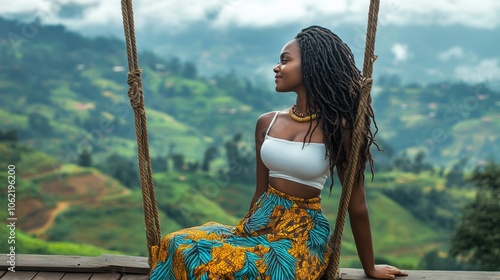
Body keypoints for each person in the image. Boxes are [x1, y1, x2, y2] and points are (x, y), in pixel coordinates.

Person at [150, 25, 408, 280]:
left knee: (218, 267)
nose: (277, 67)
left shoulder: (339, 129)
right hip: (261, 224)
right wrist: (245, 233)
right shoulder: (267, 122)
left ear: (311, 66)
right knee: (177, 244)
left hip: (300, 234)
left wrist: (369, 267)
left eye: (285, 60)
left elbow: (357, 203)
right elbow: (260, 192)